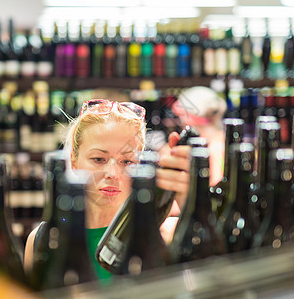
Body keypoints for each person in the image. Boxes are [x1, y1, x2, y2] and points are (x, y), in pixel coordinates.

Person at [24, 99, 191, 281]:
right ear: (73, 160)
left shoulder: (165, 235)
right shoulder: (43, 240)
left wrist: (190, 201)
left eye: (127, 161)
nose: (113, 174)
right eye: (99, 159)